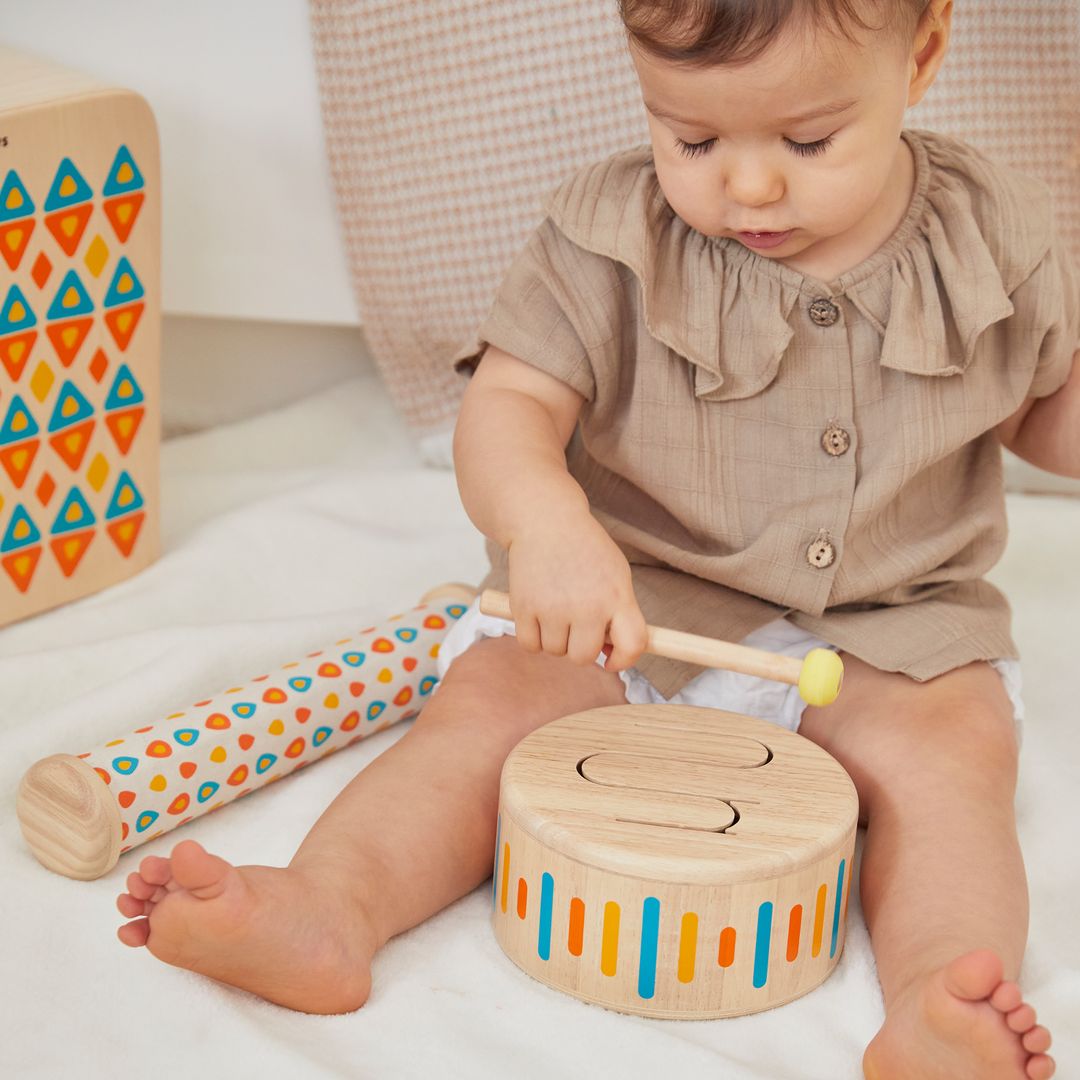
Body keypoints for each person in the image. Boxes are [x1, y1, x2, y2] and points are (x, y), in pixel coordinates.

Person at [115, 2, 1075, 1076]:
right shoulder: (608, 238)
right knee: (486, 711)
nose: (749, 187)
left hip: (894, 623)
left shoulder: (993, 231)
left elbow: (1043, 409)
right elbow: (510, 407)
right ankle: (328, 909)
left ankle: (939, 1004)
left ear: (923, 55)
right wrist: (547, 529)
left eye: (809, 143)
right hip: (630, 607)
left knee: (952, 765)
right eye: (692, 138)